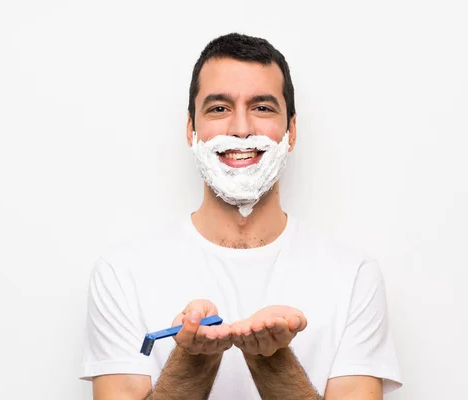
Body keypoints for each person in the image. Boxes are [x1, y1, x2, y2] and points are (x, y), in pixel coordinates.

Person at [80, 32, 402, 399]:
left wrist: (273, 363)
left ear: (291, 131)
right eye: (219, 108)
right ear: (191, 129)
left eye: (262, 108)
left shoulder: (354, 277)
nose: (241, 128)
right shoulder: (122, 273)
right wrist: (192, 364)